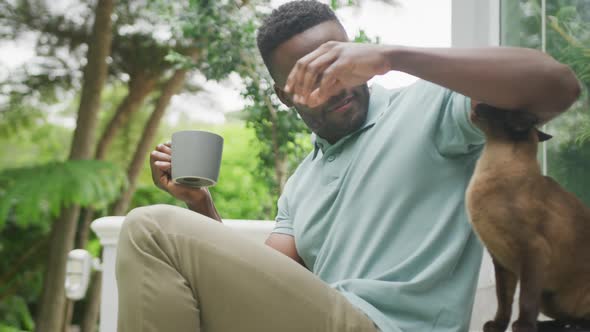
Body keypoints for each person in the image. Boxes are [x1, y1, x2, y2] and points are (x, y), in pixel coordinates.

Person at [115, 1, 581, 331]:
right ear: (284, 95)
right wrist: (201, 205)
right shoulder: (302, 182)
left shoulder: (429, 111)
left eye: (337, 62)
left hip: (387, 327)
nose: (336, 84)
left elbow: (558, 86)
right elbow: (266, 277)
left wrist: (392, 56)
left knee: (149, 227)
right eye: (313, 75)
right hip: (323, 317)